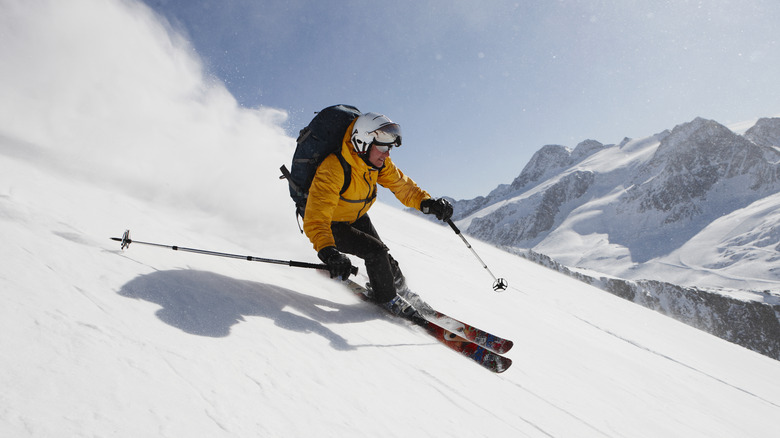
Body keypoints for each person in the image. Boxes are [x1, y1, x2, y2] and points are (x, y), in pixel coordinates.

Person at [303, 111, 453, 311]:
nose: (387, 153)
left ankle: (401, 290)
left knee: (386, 260)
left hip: (355, 216)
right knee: (376, 252)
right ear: (363, 142)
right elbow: (316, 217)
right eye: (383, 147)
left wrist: (427, 202)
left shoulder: (376, 163)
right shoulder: (333, 168)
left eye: (389, 147)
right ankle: (387, 300)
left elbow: (402, 186)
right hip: (331, 224)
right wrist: (329, 252)